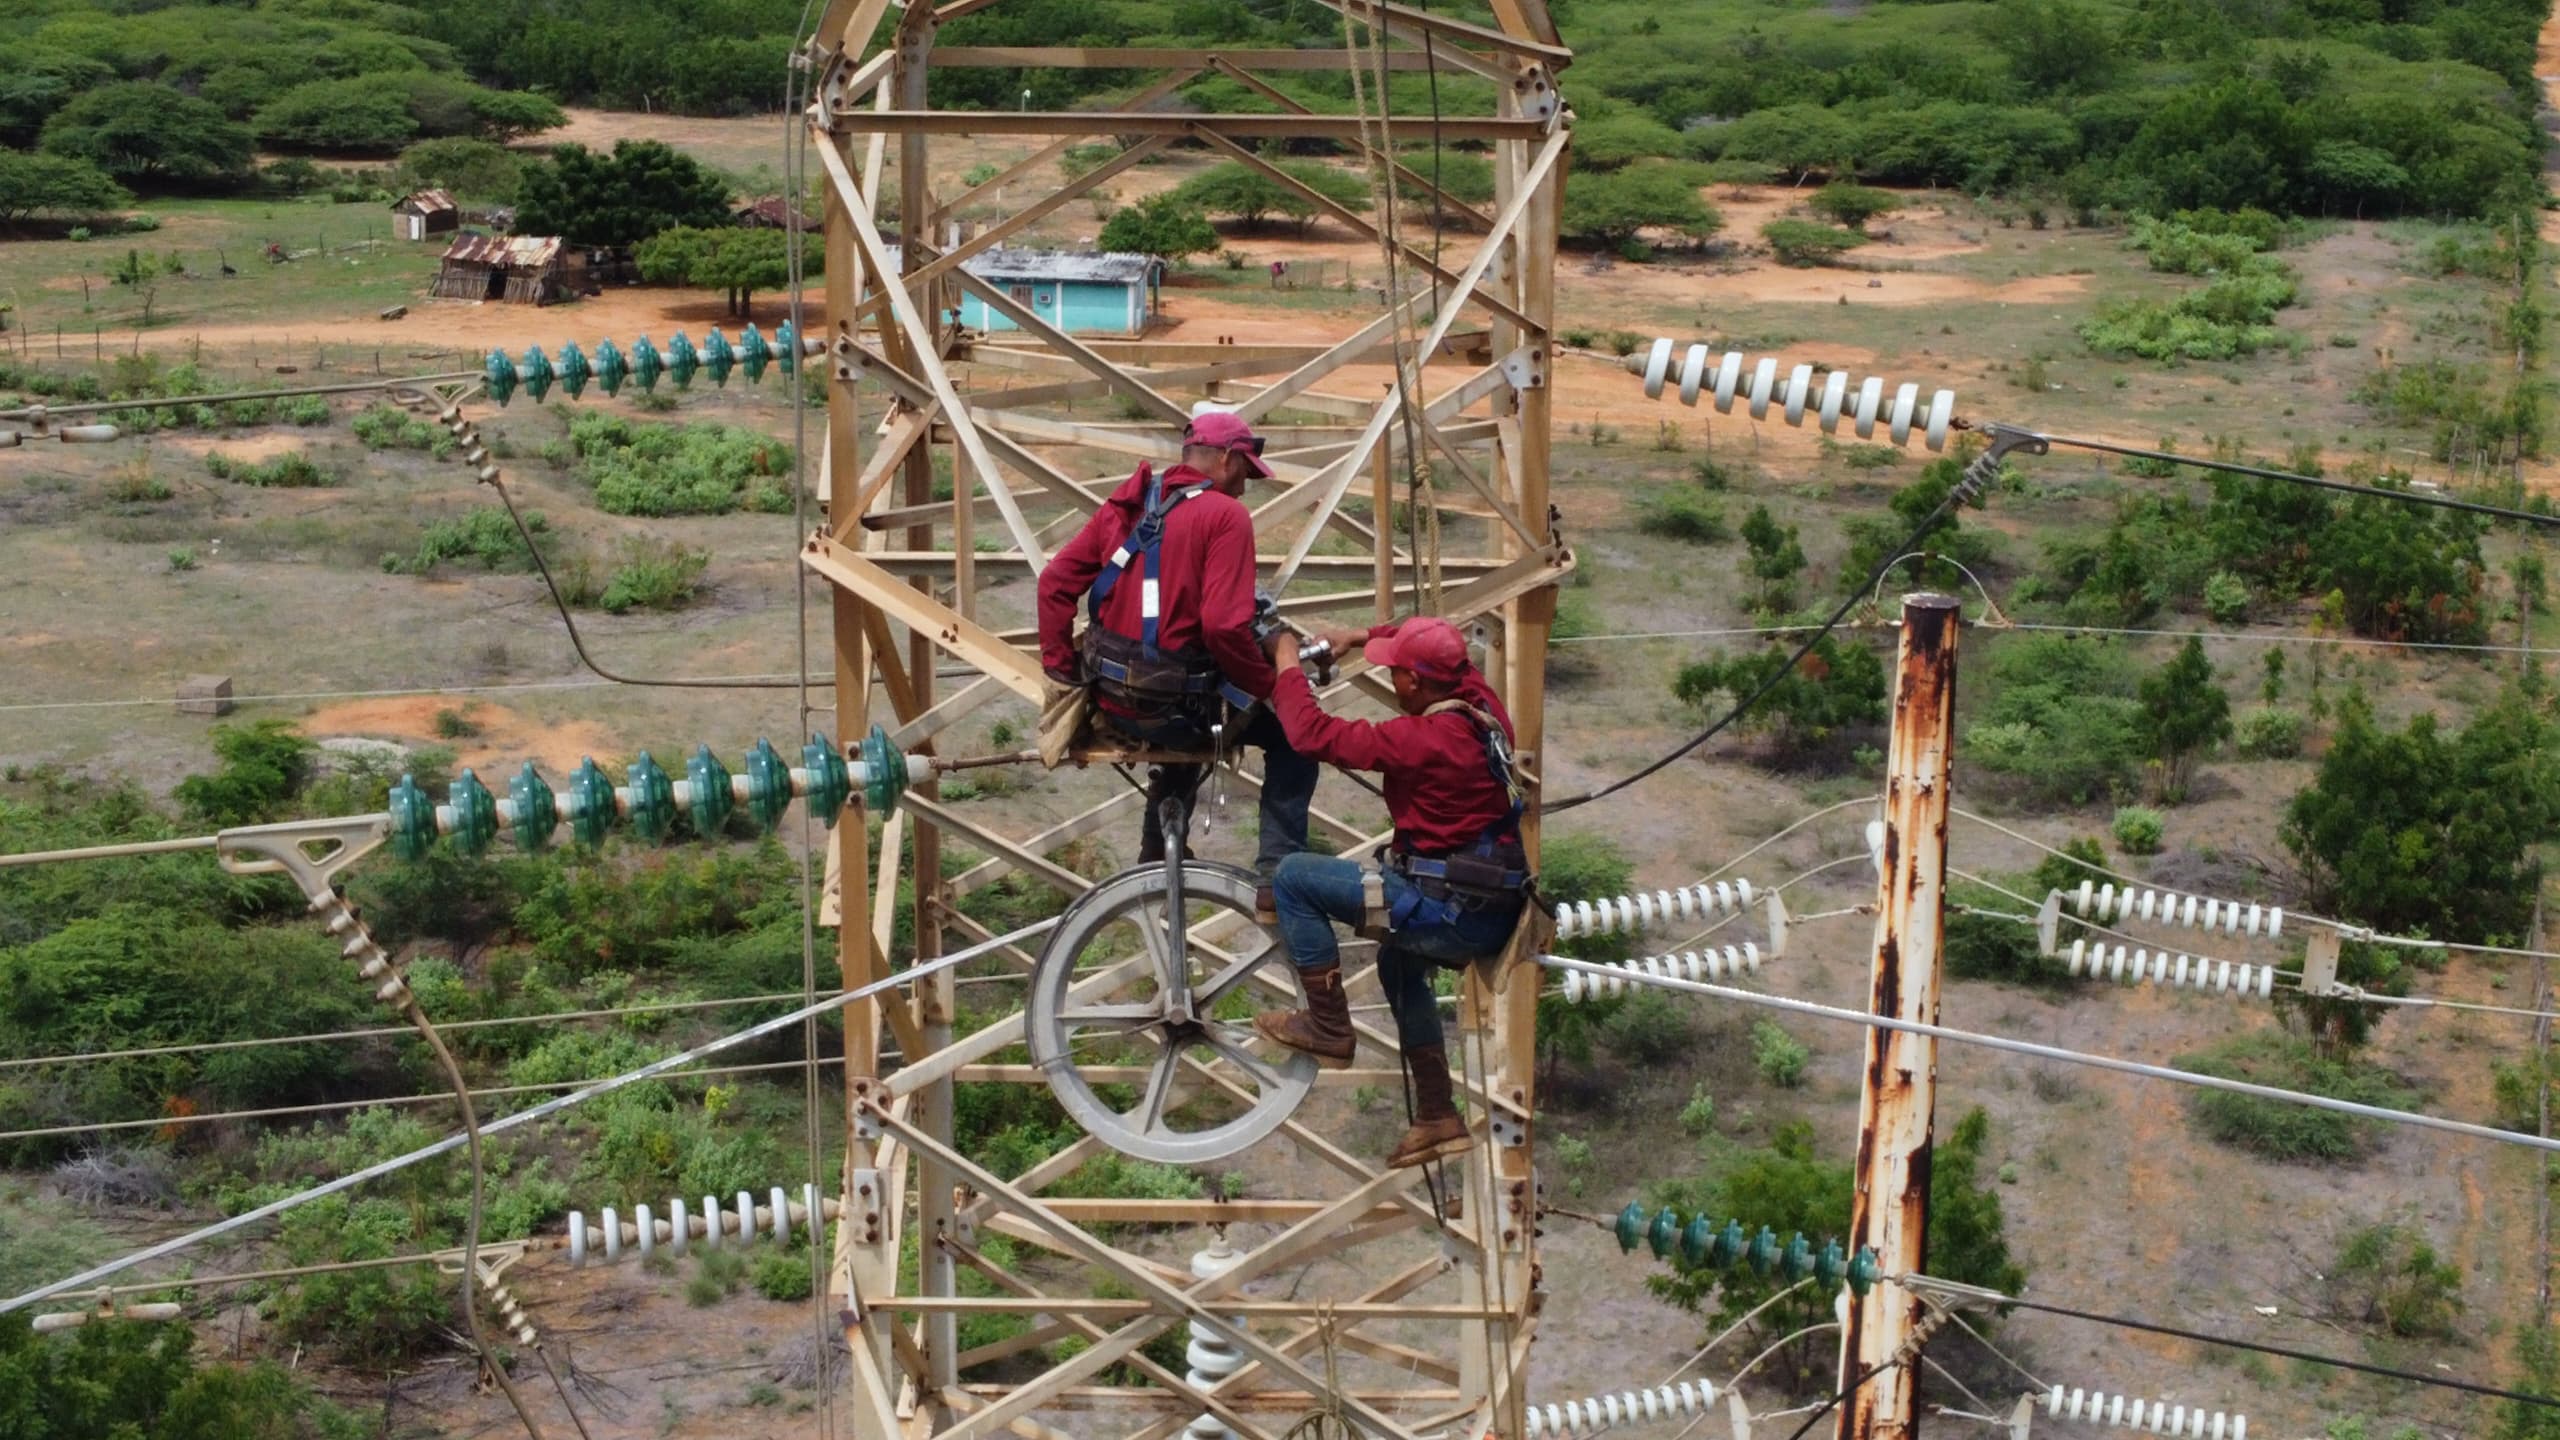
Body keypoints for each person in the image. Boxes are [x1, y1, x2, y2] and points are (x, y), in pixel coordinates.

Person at [1251, 615, 1529, 1169]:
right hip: (1485, 901)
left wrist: (1285, 659)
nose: (1392, 681)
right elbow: (1435, 630)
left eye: (1396, 673)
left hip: (1449, 910)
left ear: (1418, 685)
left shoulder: (1424, 738)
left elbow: (1310, 736)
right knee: (1398, 967)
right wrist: (1364, 636)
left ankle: (1329, 1025)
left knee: (1294, 878)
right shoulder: (1478, 701)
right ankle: (1436, 1113)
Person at [1034, 412, 1318, 873]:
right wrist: (1270, 685)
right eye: (1244, 472)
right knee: (1293, 736)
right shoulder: (1226, 516)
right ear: (1226, 459)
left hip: (1113, 700)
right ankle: (1279, 869)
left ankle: (1155, 848)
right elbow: (1224, 627)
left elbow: (1054, 585)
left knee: (1192, 697)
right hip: (1176, 712)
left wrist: (1063, 670)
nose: (1244, 487)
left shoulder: (1128, 503)